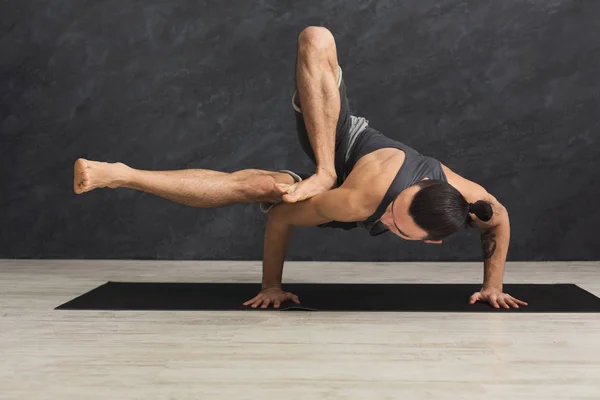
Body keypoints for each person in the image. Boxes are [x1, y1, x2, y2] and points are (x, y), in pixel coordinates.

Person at [73, 26, 527, 310]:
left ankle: (126, 175)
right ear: (426, 184)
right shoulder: (361, 200)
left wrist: (492, 285)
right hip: (345, 151)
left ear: (434, 240)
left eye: (395, 225)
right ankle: (123, 174)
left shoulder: (473, 201)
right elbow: (283, 218)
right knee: (315, 39)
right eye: (397, 208)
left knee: (274, 189)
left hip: (345, 196)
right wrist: (271, 284)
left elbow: (498, 220)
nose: (386, 218)